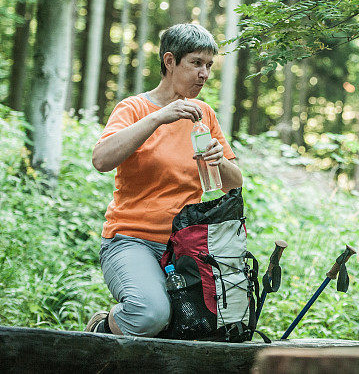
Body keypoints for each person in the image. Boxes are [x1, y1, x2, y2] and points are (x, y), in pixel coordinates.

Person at [85, 23, 243, 336]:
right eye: (196, 63)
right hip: (131, 240)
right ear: (169, 61)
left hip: (186, 245)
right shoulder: (133, 108)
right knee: (150, 314)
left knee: (206, 324)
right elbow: (101, 159)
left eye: (209, 65)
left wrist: (219, 160)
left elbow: (234, 183)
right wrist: (158, 117)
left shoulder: (203, 114)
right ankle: (103, 328)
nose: (204, 74)